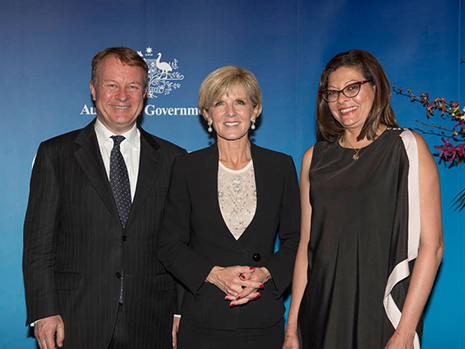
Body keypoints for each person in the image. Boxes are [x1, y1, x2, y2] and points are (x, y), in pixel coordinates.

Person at [23, 47, 186, 349]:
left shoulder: (174, 159)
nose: (122, 96)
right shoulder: (55, 154)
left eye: (133, 86)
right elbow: (39, 245)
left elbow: (180, 243)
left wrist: (179, 311)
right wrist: (44, 311)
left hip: (153, 319)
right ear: (93, 89)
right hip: (75, 319)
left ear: (145, 92)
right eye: (112, 84)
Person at [283, 49, 444, 349]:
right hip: (320, 315)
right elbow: (306, 249)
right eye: (332, 93)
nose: (342, 100)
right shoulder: (313, 159)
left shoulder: (405, 148)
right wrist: (292, 330)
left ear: (376, 87)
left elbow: (431, 247)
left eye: (352, 88)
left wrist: (405, 333)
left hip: (383, 316)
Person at [157, 65, 300, 348]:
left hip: (262, 317)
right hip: (203, 319)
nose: (230, 112)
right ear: (207, 114)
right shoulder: (187, 167)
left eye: (240, 102)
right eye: (219, 103)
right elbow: (169, 244)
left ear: (255, 110)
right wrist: (214, 274)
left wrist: (265, 273)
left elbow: (296, 239)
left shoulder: (280, 166)